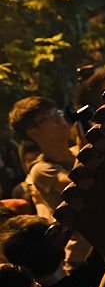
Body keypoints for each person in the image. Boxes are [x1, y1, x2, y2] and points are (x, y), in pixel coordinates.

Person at [8, 95, 91, 265]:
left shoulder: (78, 150)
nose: (58, 117)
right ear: (33, 132)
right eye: (48, 116)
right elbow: (76, 186)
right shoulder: (41, 169)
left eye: (56, 111)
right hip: (84, 256)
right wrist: (87, 155)